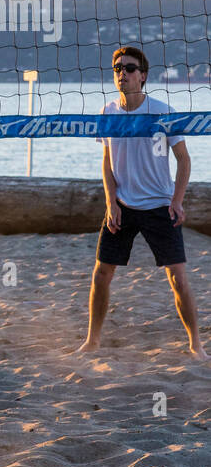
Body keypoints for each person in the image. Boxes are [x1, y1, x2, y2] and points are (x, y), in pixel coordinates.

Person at [75, 47, 203, 359]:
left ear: (142, 76)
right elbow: (106, 161)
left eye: (130, 68)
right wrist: (111, 202)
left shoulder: (161, 110)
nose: (123, 73)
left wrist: (177, 200)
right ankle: (92, 341)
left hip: (160, 206)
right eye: (118, 68)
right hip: (123, 206)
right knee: (101, 274)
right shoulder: (108, 111)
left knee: (178, 279)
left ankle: (196, 345)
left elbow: (184, 160)